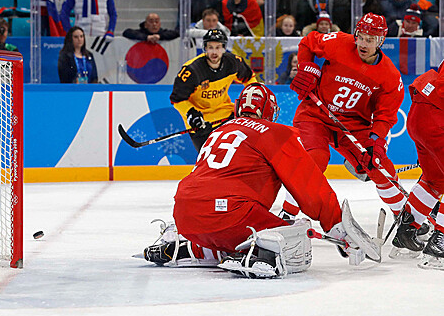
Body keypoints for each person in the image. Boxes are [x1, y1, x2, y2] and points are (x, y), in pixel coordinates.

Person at [142, 83, 380, 279]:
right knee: (298, 235)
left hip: (184, 214)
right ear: (268, 110)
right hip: (231, 215)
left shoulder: (219, 131)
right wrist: (338, 227)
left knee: (225, 227)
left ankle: (188, 246)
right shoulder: (275, 132)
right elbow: (309, 186)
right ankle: (261, 255)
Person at [289, 13, 408, 218]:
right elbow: (308, 42)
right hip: (315, 114)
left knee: (381, 168)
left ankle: (403, 219)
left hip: (353, 126)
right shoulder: (339, 42)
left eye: (370, 40)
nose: (363, 43)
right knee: (315, 158)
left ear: (380, 41)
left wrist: (375, 140)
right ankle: (287, 214)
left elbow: (385, 115)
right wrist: (306, 67)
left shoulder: (390, 76)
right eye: (360, 36)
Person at [391, 62, 444, 270]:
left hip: (420, 115)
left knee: (435, 180)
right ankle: (440, 245)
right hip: (435, 117)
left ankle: (406, 236)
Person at [169, 29, 257, 151]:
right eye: (210, 47)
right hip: (201, 123)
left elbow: (249, 78)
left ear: (224, 48)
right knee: (208, 161)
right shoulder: (191, 70)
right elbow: (177, 99)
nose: (214, 52)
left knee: (238, 155)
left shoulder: (233, 62)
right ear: (205, 48)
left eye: (218, 47)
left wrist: (254, 97)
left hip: (226, 116)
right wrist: (192, 115)